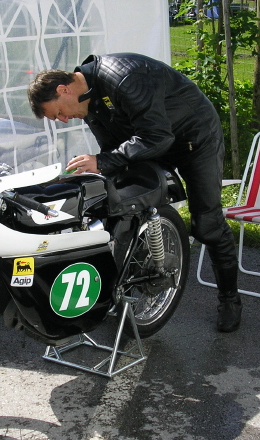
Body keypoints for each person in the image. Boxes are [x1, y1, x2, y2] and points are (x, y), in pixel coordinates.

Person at [27, 52, 242, 333]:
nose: (65, 120)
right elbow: (113, 147)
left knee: (207, 223)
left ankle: (230, 299)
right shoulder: (87, 100)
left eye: (59, 113)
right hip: (153, 141)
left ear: (63, 89)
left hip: (194, 139)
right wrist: (98, 171)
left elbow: (157, 137)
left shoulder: (125, 77)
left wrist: (102, 162)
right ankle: (131, 281)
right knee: (122, 202)